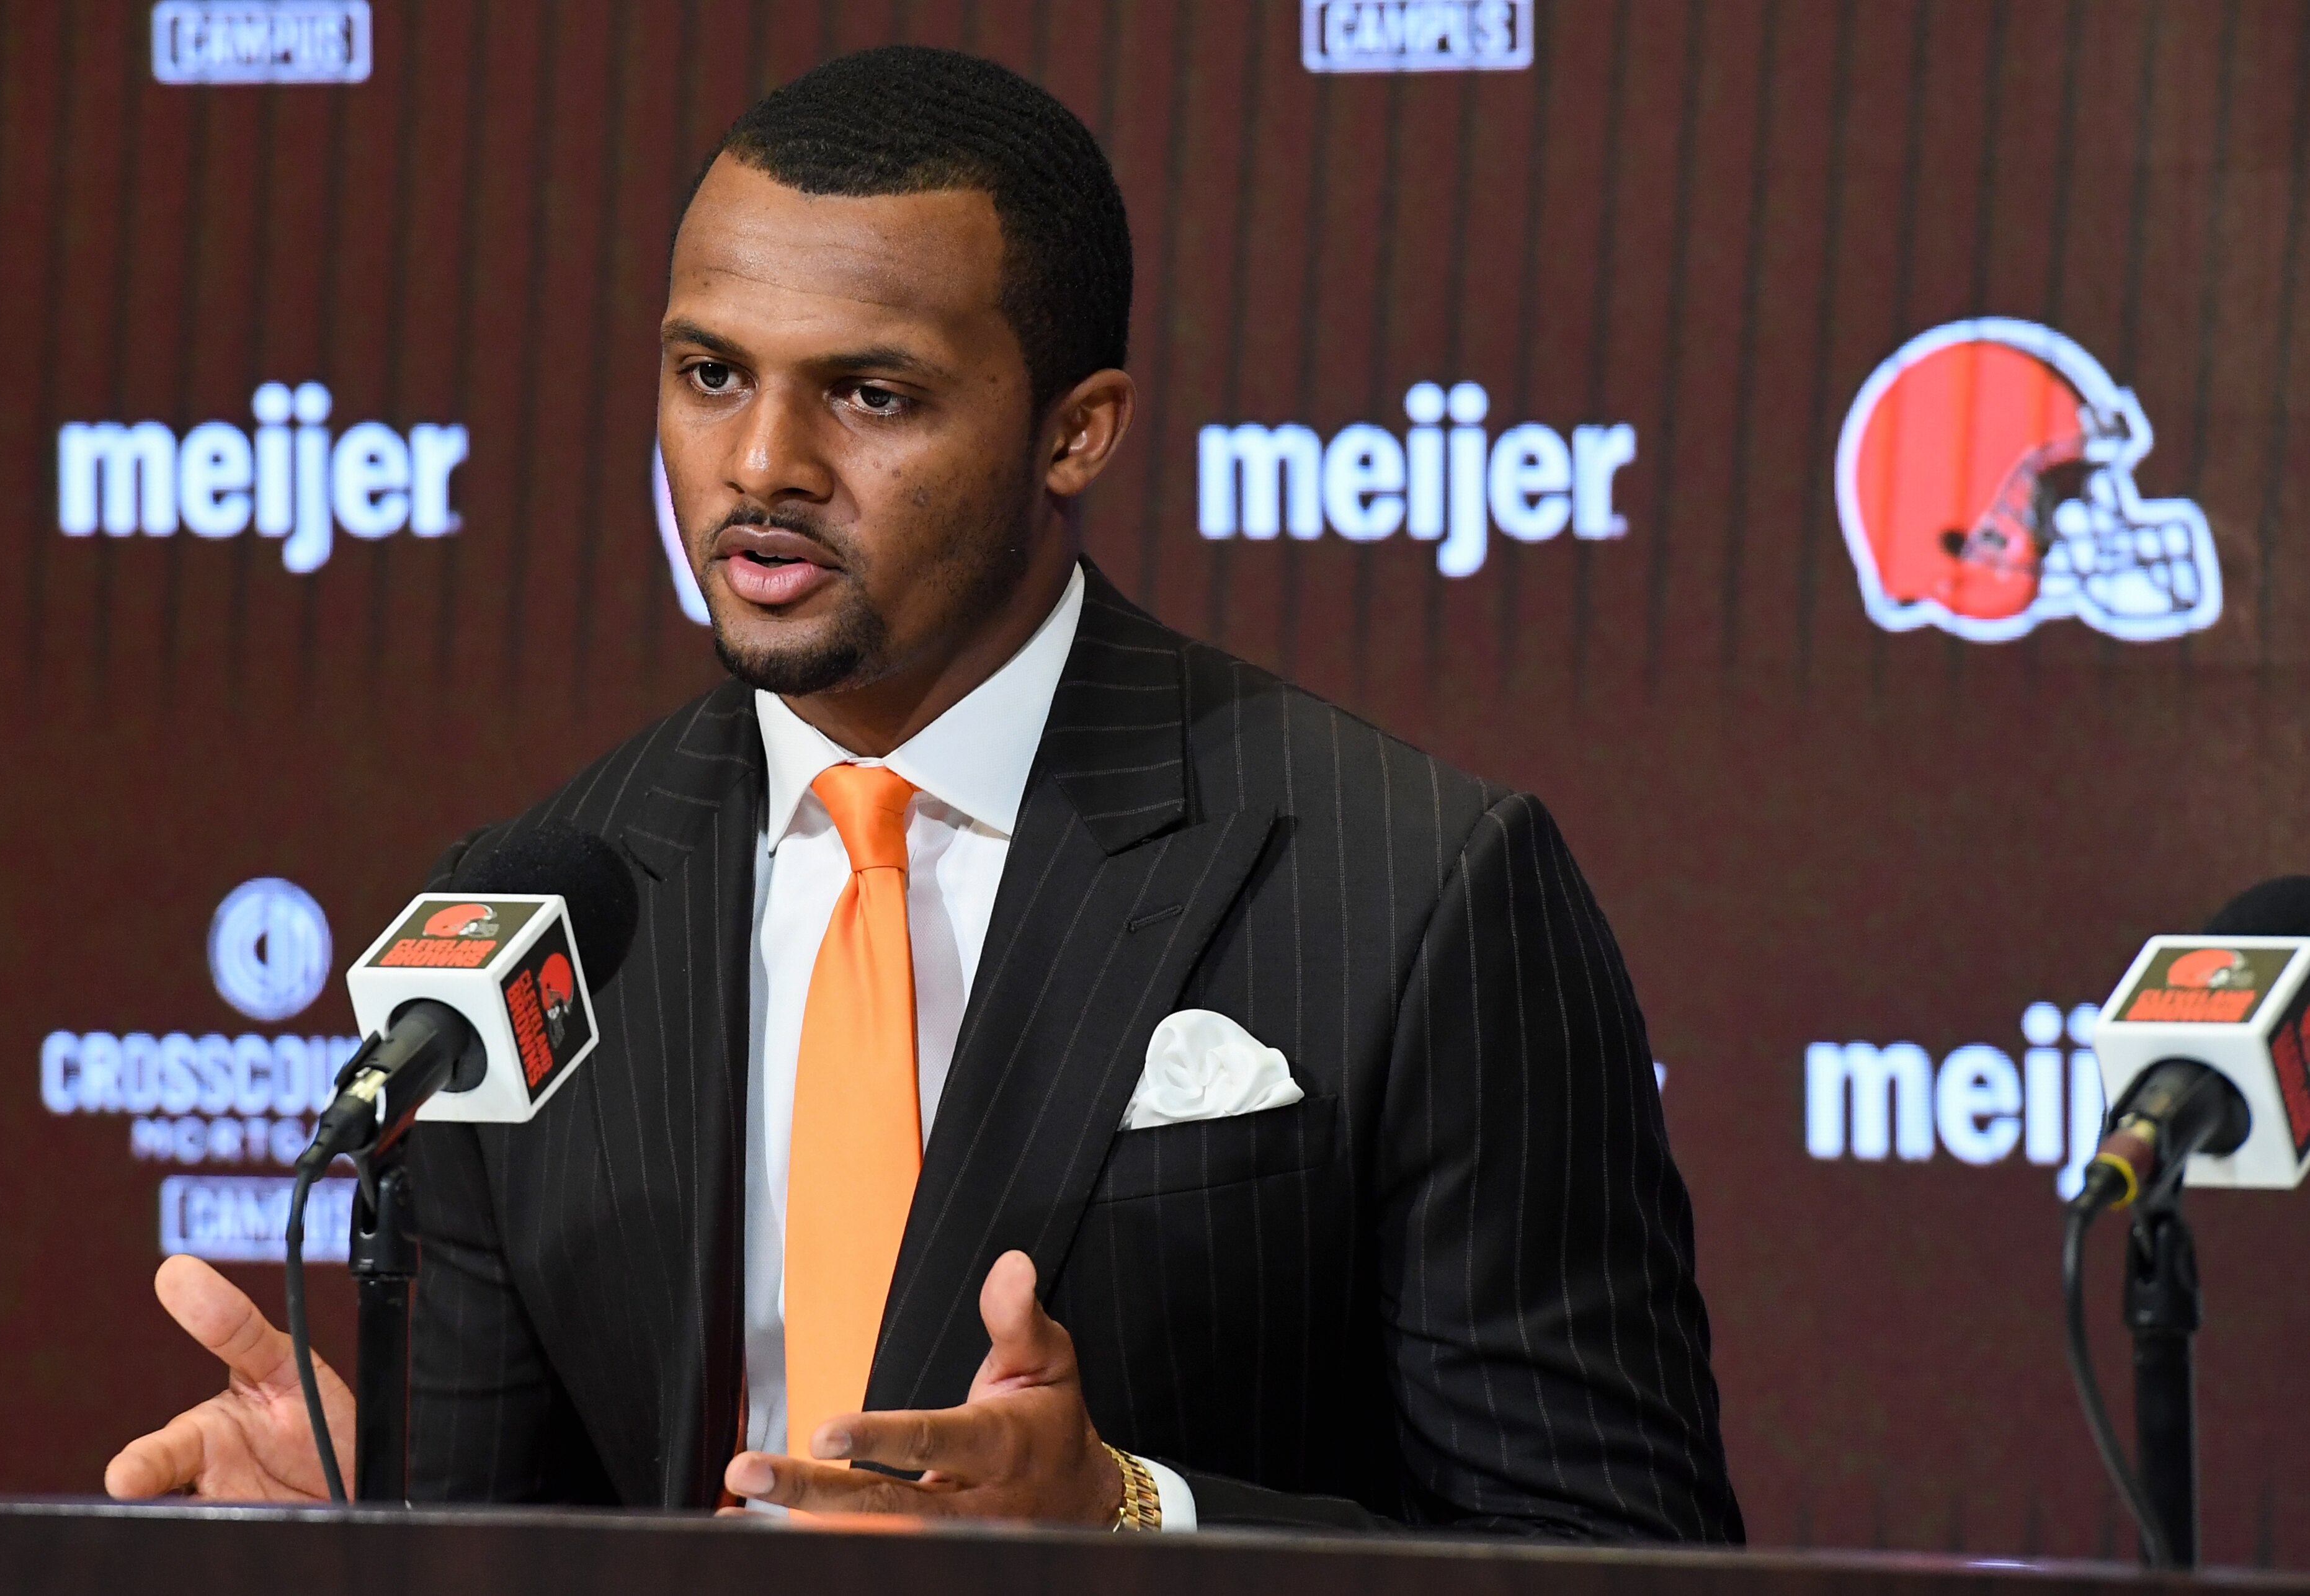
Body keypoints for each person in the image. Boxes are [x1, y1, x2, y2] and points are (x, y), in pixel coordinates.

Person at [106, 45, 1744, 1539]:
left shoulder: (1413, 885)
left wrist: (1131, 1517)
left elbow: (1624, 1561)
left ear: (1075, 435)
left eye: (868, 395)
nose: (760, 465)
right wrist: (359, 1521)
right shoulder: (545, 905)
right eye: (709, 375)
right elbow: (519, 1526)